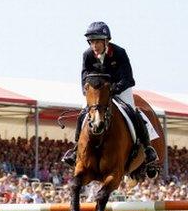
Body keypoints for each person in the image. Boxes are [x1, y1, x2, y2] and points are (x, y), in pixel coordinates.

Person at [62, 21, 158, 170]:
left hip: (120, 89)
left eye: (98, 41)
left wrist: (114, 89)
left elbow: (128, 78)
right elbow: (84, 77)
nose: (94, 45)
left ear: (106, 41)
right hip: (96, 93)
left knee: (133, 112)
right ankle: (75, 150)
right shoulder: (87, 55)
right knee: (83, 114)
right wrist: (87, 92)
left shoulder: (119, 53)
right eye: (92, 41)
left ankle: (147, 148)